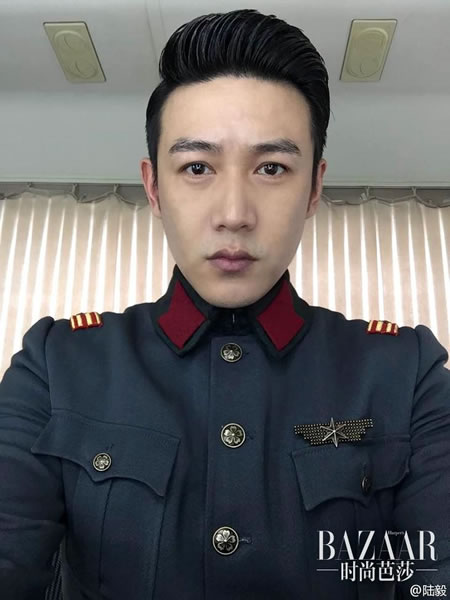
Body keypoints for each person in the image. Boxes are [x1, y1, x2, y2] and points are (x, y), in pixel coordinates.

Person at [0, 8, 449, 600]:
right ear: (154, 187)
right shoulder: (57, 364)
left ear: (314, 187)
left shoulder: (405, 373)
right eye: (197, 167)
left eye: (271, 167)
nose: (234, 213)